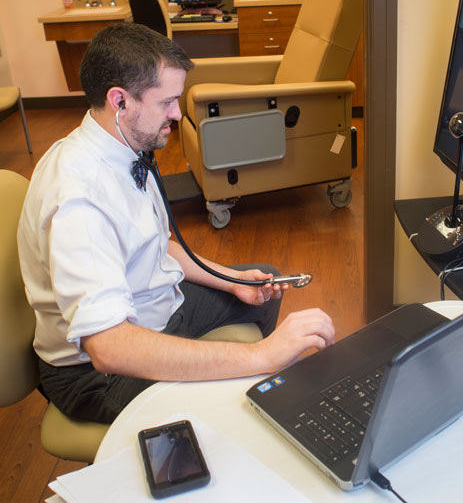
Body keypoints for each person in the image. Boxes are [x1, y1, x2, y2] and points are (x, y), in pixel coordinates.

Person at [17, 23, 335, 424]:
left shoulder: (127, 147)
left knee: (261, 281)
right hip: (98, 374)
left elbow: (155, 245)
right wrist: (259, 356)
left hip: (158, 310)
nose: (177, 113)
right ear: (120, 102)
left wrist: (234, 281)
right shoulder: (78, 198)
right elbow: (109, 347)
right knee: (232, 408)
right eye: (167, 102)